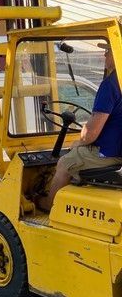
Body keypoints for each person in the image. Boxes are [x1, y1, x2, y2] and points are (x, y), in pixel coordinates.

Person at [39, 41, 122, 211]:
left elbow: (89, 135)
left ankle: (49, 205)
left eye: (107, 51)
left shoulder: (111, 85)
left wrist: (78, 142)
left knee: (65, 162)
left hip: (108, 155)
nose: (104, 55)